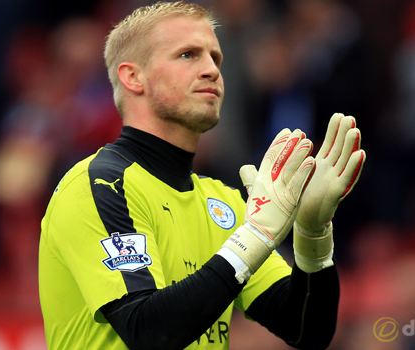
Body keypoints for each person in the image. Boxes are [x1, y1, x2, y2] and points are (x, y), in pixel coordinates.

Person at [38, 2, 366, 349]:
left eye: (216, 58)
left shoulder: (223, 201)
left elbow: (307, 330)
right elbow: (148, 332)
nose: (212, 70)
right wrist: (253, 237)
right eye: (187, 55)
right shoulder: (101, 184)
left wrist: (312, 238)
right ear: (132, 76)